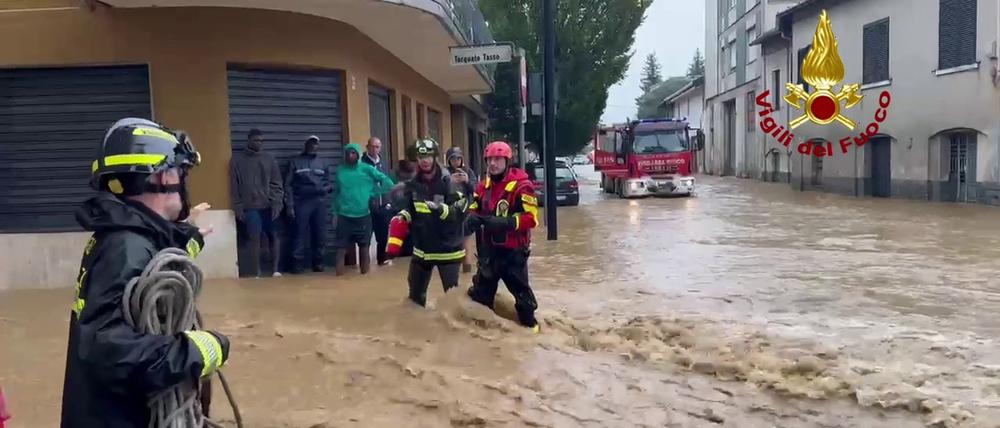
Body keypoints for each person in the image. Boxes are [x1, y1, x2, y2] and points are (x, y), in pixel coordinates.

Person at [61, 118, 230, 427]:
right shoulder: (125, 248)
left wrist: (187, 240)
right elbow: (111, 351)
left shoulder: (123, 236)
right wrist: (200, 349)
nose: (183, 179)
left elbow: (152, 270)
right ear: (163, 176)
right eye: (181, 170)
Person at [465, 140, 540, 333]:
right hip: (489, 252)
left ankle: (533, 334)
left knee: (524, 300)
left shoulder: (522, 186)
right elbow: (475, 207)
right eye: (489, 159)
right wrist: (471, 219)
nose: (492, 163)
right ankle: (485, 338)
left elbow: (531, 219)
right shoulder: (483, 187)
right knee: (480, 298)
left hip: (513, 253)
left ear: (507, 161)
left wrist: (506, 223)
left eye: (497, 159)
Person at [386, 138, 470, 307]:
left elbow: (461, 212)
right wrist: (402, 217)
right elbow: (410, 209)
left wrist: (441, 210)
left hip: (448, 251)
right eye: (421, 157)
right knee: (414, 301)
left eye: (428, 157)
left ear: (435, 158)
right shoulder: (413, 183)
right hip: (422, 251)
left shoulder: (450, 182)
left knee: (453, 302)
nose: (424, 161)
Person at [330, 142, 396, 276]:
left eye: (353, 152)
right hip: (344, 215)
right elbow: (336, 193)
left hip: (363, 215)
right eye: (348, 153)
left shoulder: (366, 169)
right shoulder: (340, 170)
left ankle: (364, 277)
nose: (350, 155)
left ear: (358, 154)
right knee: (341, 249)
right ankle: (338, 279)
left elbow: (387, 182)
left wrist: (374, 193)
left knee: (364, 248)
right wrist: (334, 213)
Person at [230, 128, 284, 278]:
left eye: (261, 141)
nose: (259, 143)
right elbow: (234, 186)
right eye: (256, 140)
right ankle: (256, 271)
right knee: (255, 237)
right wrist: (238, 205)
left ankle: (275, 270)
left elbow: (277, 183)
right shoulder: (237, 160)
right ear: (249, 140)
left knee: (274, 235)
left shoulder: (269, 159)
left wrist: (277, 203)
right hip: (250, 206)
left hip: (269, 205)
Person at [285, 135, 333, 273]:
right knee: (299, 233)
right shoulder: (295, 162)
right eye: (311, 144)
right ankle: (297, 264)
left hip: (319, 202)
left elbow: (329, 183)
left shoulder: (323, 163)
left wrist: (324, 189)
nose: (313, 146)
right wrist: (290, 204)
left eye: (316, 144)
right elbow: (288, 185)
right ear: (305, 145)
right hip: (301, 202)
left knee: (320, 233)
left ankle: (318, 262)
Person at [445, 147, 479, 273]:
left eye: (458, 158)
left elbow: (476, 190)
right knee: (450, 243)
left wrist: (467, 181)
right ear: (449, 160)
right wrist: (449, 181)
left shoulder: (468, 172)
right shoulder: (444, 173)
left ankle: (467, 269)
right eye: (453, 158)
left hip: (466, 212)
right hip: (449, 212)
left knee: (467, 241)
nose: (456, 161)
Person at [361, 137, 393, 266]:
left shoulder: (383, 164)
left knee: (383, 235)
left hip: (383, 206)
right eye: (372, 146)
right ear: (367, 147)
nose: (374, 149)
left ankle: (381, 259)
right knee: (366, 236)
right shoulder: (362, 164)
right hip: (367, 206)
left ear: (380, 148)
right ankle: (364, 263)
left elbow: (388, 183)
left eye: (377, 147)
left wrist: (389, 202)